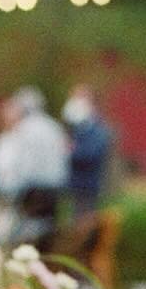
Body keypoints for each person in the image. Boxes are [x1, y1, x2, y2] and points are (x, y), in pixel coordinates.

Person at [0, 88, 70, 236]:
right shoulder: (53, 126)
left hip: (32, 189)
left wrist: (12, 190)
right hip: (54, 188)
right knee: (48, 232)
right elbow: (63, 157)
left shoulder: (25, 129)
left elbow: (23, 164)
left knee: (30, 233)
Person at [62, 86, 114, 215]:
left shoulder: (98, 128)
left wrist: (70, 151)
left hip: (89, 185)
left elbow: (91, 153)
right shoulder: (77, 126)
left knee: (86, 222)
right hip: (77, 185)